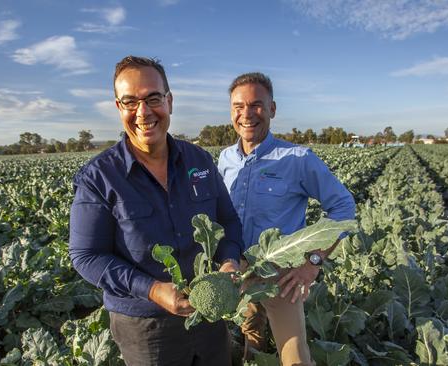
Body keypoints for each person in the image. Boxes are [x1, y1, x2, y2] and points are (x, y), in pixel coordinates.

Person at [69, 56, 243, 366]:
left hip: (208, 314)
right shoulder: (99, 177)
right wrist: (151, 289)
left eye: (153, 98)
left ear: (169, 101)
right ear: (119, 108)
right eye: (130, 102)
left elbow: (227, 220)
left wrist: (229, 262)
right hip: (144, 326)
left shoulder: (199, 161)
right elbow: (86, 256)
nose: (143, 112)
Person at [218, 72, 356, 365]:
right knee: (251, 335)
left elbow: (343, 208)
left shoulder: (298, 158)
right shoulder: (225, 159)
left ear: (272, 109)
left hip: (281, 275)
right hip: (239, 269)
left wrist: (312, 264)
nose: (246, 114)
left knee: (294, 356)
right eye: (238, 106)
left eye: (256, 104)